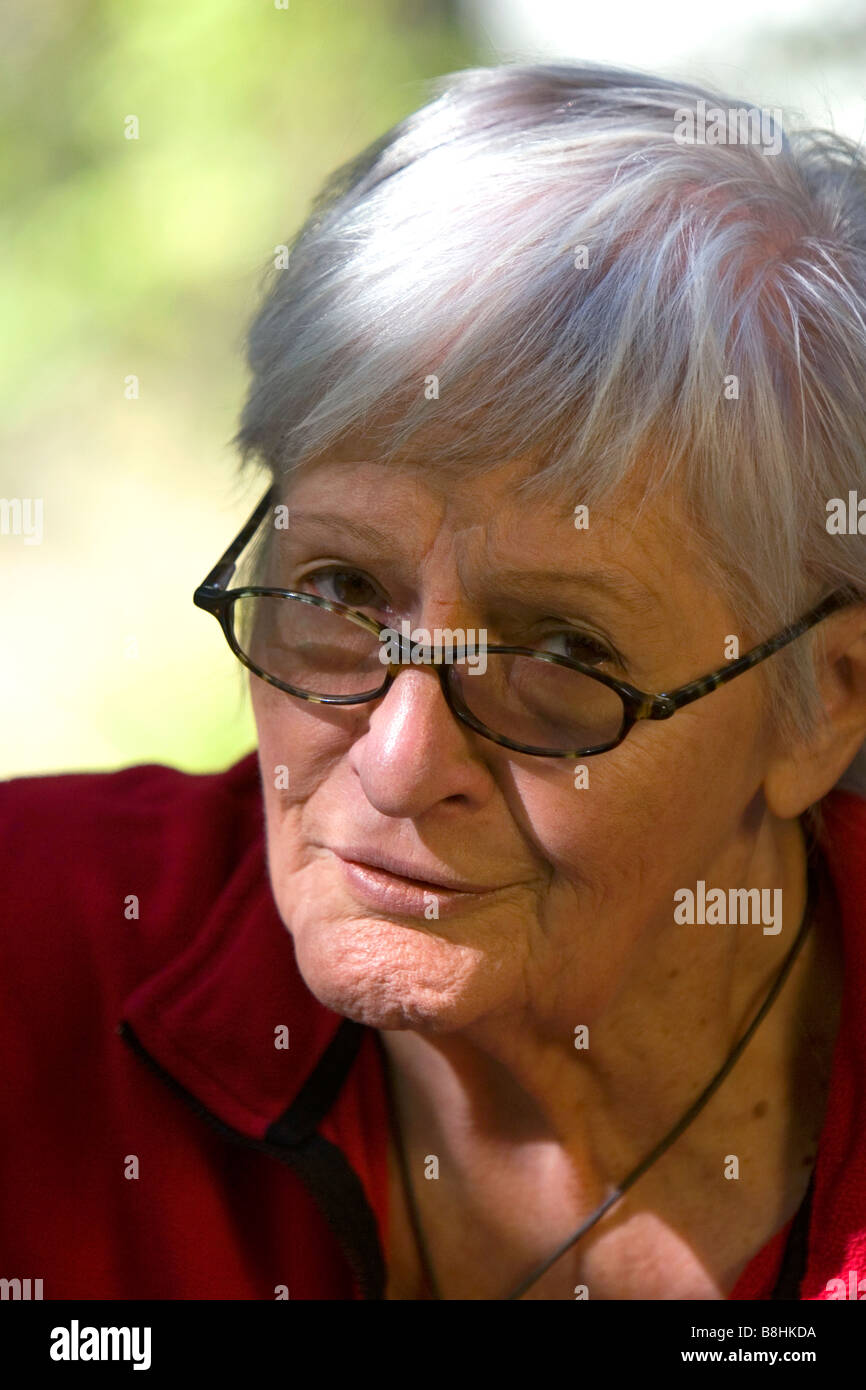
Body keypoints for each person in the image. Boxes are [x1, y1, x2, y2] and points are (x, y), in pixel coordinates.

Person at [3, 59, 866, 1302]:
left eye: (562, 657)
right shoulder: (39, 947)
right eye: (344, 592)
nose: (399, 763)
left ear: (826, 701)